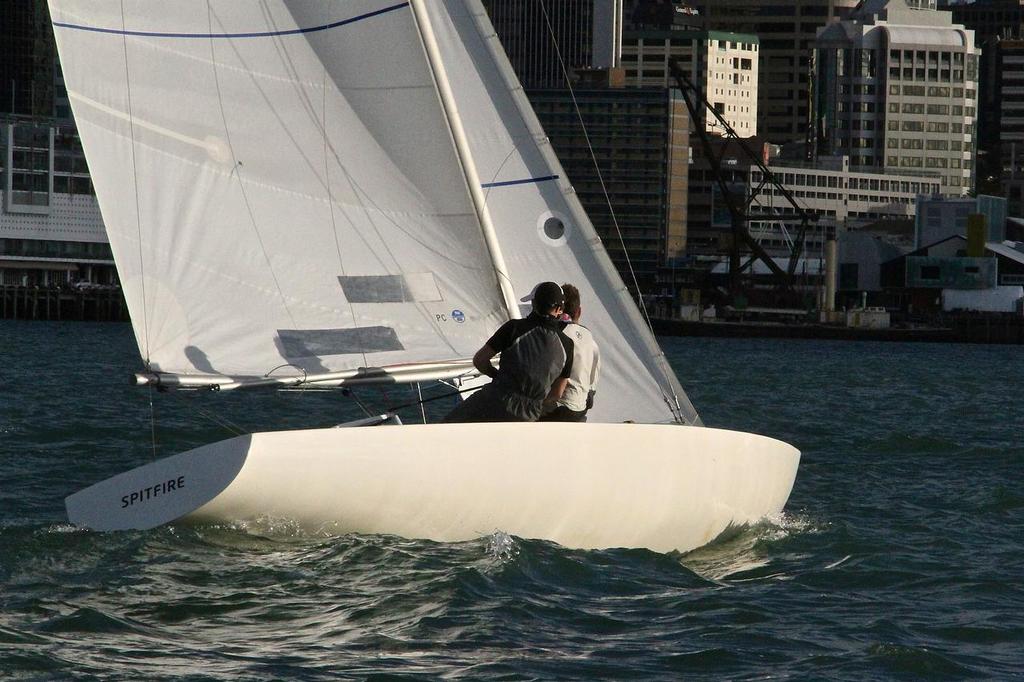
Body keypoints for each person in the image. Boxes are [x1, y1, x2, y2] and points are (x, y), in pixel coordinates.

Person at [442, 281, 574, 423]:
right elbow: (557, 394)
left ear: (534, 304)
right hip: (529, 415)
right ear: (560, 309)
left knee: (447, 426)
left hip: (497, 399)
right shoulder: (567, 345)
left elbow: (480, 361)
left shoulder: (514, 328)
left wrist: (496, 376)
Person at [540, 283, 601, 422]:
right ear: (579, 311)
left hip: (555, 408)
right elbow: (592, 385)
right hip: (578, 410)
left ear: (558, 309)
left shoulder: (555, 335)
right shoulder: (591, 341)